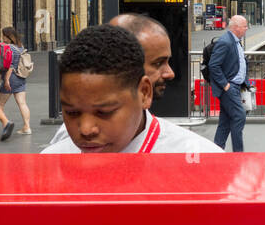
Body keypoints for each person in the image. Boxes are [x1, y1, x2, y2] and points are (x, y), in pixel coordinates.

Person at [42, 25, 220, 155]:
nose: (86, 129)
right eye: (72, 112)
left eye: (104, 112)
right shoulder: (51, 164)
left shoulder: (201, 161)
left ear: (144, 92)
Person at [210, 14, 250, 152]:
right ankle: (238, 154)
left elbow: (240, 62)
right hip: (229, 87)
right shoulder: (225, 42)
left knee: (225, 122)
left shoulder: (236, 41)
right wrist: (225, 85)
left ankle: (217, 149)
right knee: (239, 116)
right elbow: (213, 65)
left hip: (235, 86)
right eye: (245, 26)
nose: (247, 28)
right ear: (236, 27)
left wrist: (245, 82)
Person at [0, 26, 32, 135]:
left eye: (4, 36)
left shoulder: (9, 48)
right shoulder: (20, 47)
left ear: (8, 37)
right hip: (21, 77)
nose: (2, 38)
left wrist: (6, 80)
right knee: (22, 103)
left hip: (11, 78)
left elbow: (10, 67)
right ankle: (27, 127)